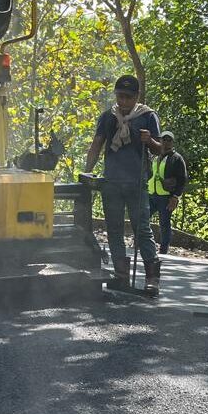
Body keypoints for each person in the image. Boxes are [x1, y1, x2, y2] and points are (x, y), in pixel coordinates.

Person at [83, 75, 163, 294]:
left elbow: (159, 150)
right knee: (114, 229)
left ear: (136, 97)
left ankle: (152, 279)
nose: (123, 102)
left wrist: (150, 141)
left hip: (137, 182)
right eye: (120, 96)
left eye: (128, 97)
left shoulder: (147, 117)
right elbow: (97, 144)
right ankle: (121, 275)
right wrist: (87, 172)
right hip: (112, 182)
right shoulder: (108, 117)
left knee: (142, 229)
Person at [147, 130, 188, 255]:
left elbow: (182, 179)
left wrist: (175, 196)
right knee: (142, 218)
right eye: (163, 139)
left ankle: (164, 250)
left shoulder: (177, 158)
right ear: (160, 140)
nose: (166, 142)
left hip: (166, 197)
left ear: (172, 142)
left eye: (169, 139)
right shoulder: (155, 156)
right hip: (151, 194)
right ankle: (145, 244)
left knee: (164, 223)